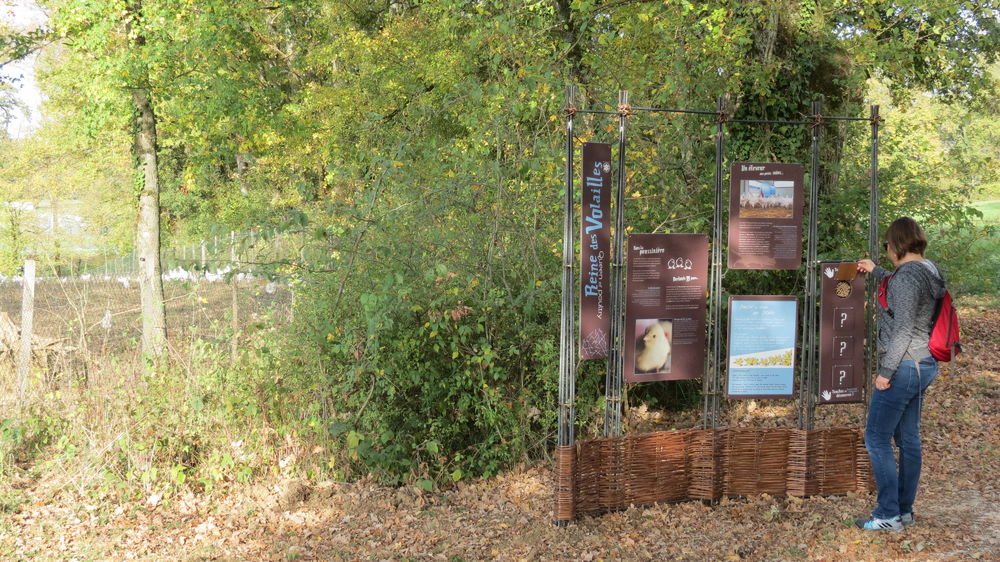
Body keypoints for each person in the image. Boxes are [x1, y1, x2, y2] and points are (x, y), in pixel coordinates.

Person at [855, 217, 945, 532]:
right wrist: (876, 270)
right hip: (924, 364)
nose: (887, 250)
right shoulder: (930, 269)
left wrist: (886, 371)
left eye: (887, 245)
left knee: (876, 438)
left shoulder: (907, 278)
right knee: (907, 438)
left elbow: (904, 329)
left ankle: (888, 514)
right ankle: (904, 512)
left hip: (904, 366)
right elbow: (904, 289)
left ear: (896, 244)